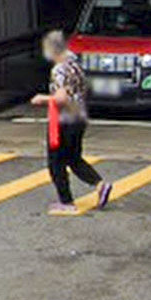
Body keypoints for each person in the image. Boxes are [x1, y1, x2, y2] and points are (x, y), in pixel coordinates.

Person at [37, 30, 109, 210]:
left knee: (55, 162)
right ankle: (100, 185)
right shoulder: (75, 65)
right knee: (74, 158)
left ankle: (66, 201)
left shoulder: (59, 69)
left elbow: (61, 98)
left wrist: (42, 99)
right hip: (80, 117)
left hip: (63, 120)